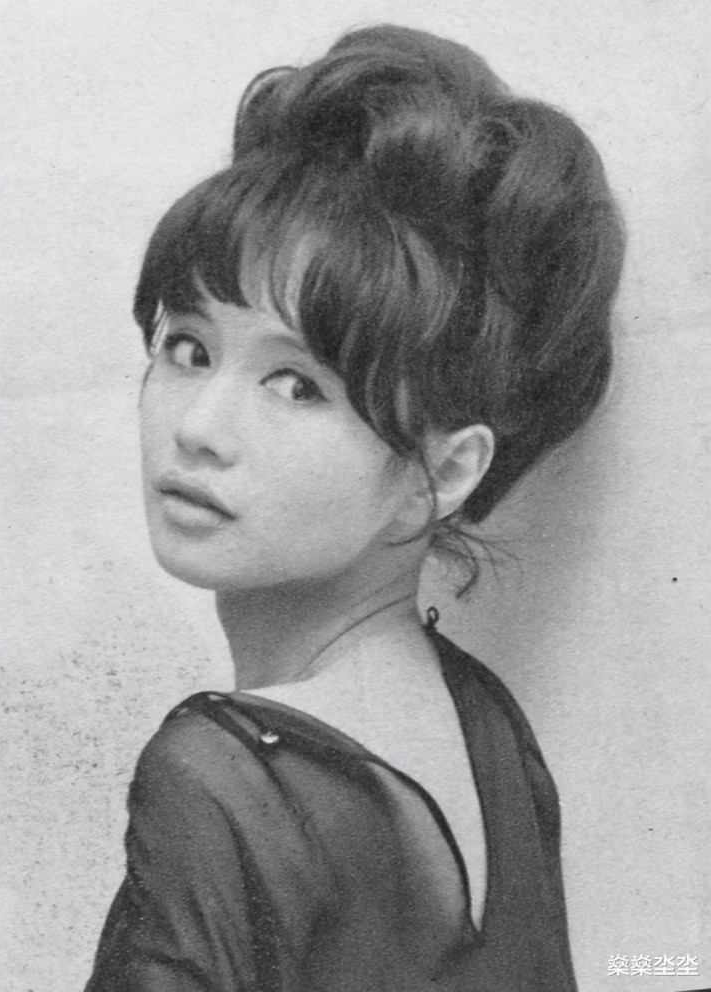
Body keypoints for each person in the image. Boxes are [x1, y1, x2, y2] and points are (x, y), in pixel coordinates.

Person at [84, 24, 624, 991]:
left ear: (441, 473)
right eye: (190, 349)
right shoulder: (485, 727)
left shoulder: (222, 776)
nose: (198, 428)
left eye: (297, 386)